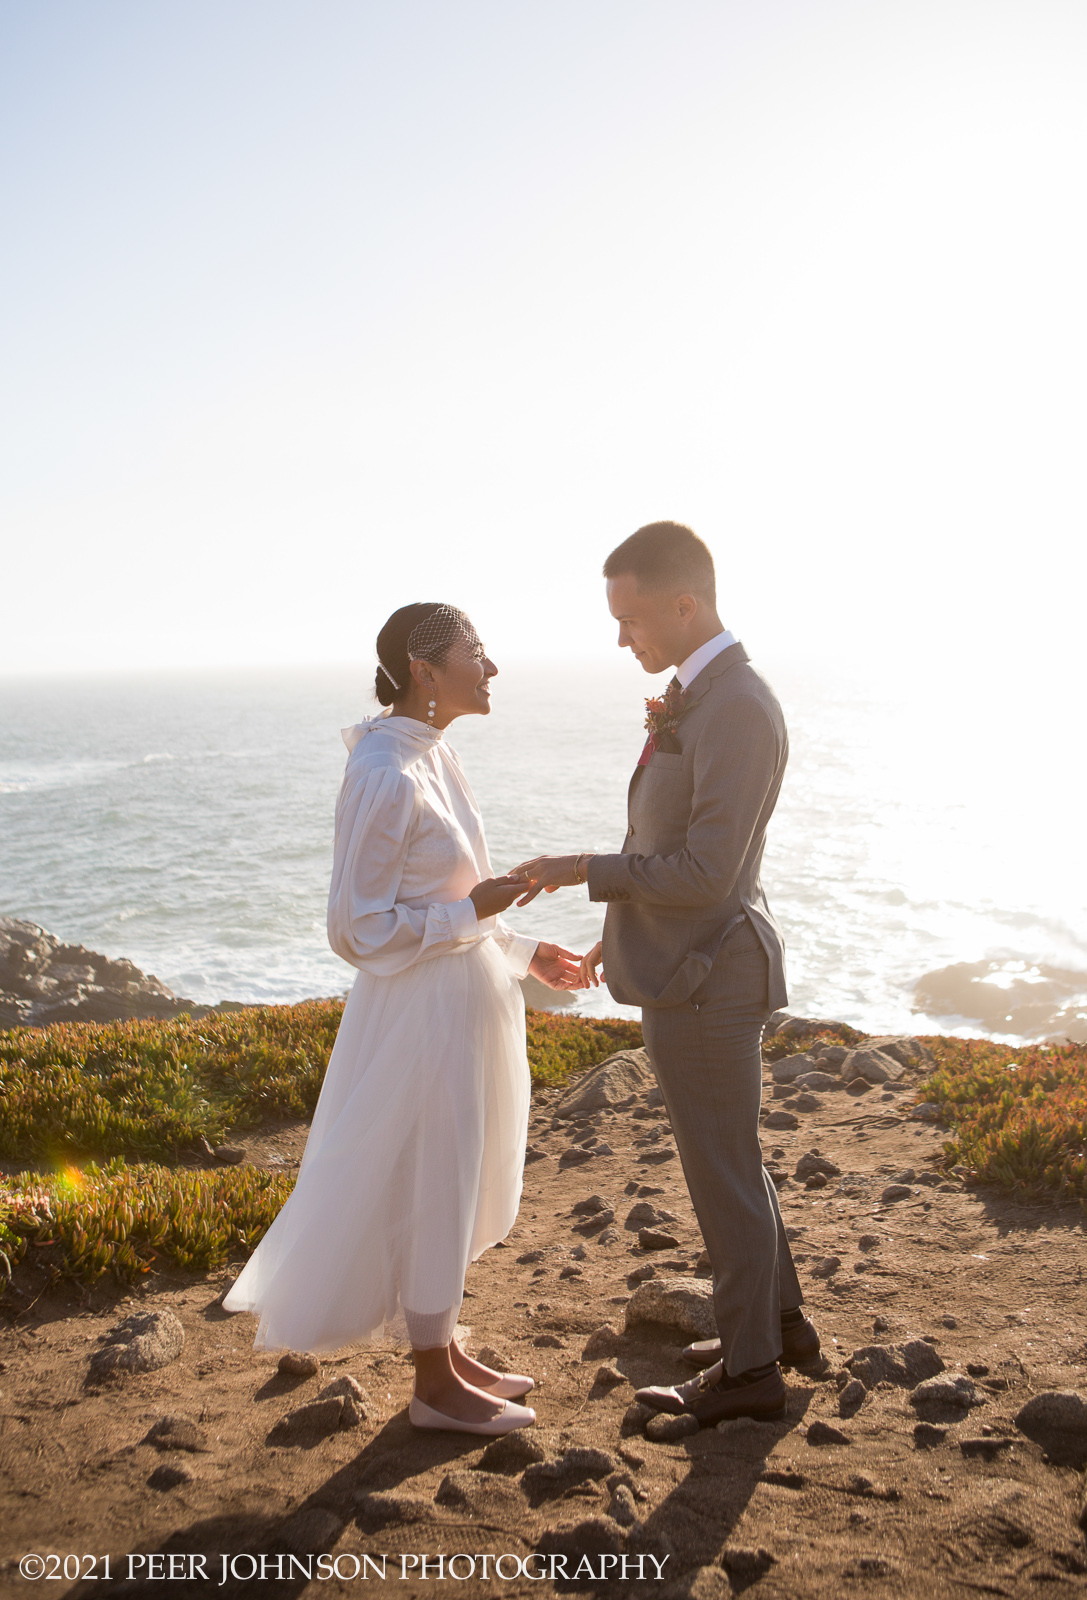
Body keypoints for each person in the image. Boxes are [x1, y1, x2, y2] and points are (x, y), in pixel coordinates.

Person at [224, 602, 583, 1437]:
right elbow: (355, 928)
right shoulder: (384, 772)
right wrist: (481, 910)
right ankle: (432, 1387)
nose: (491, 669)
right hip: (421, 1017)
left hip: (464, 1001)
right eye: (476, 653)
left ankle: (445, 1350)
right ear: (424, 670)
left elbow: (446, 896)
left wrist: (523, 949)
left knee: (454, 1173)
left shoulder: (434, 754)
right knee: (431, 1175)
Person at [512, 522, 819, 1425]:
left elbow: (704, 875)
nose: (621, 639)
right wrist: (618, 931)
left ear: (685, 606)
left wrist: (582, 868)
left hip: (705, 979)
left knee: (720, 1171)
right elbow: (666, 842)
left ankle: (751, 1374)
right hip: (687, 962)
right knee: (735, 1162)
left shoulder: (735, 706)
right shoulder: (700, 694)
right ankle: (781, 1327)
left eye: (631, 617)